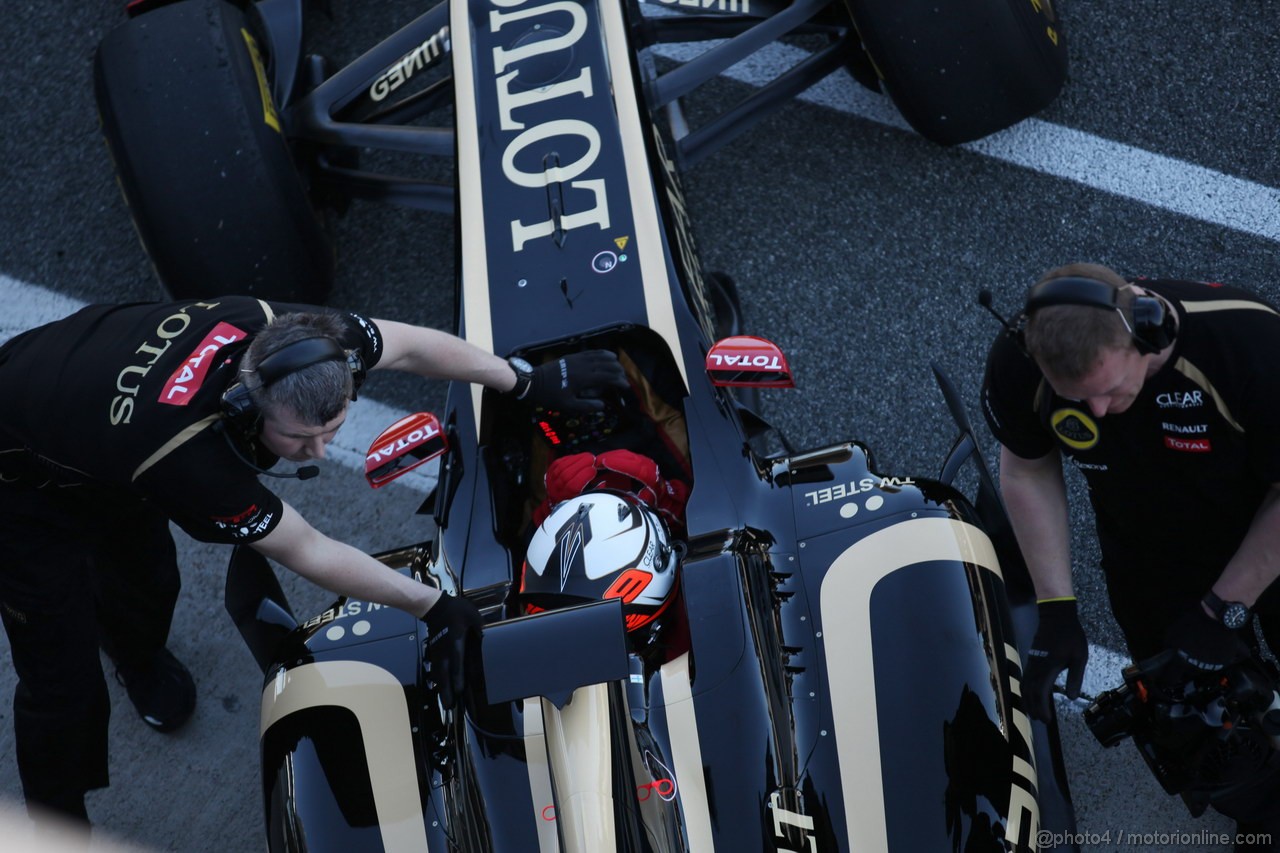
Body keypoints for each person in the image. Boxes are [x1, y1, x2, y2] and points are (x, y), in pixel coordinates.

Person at [0, 294, 627, 829]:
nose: (320, 453)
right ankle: (55, 818)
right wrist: (432, 605)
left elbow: (407, 346)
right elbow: (306, 548)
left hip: (98, 433)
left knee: (147, 580)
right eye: (299, 440)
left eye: (329, 429)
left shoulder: (291, 332)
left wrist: (519, 380)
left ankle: (137, 657)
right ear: (244, 408)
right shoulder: (186, 456)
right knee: (61, 684)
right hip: (21, 481)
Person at [981, 262, 1280, 838]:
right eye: (1079, 399)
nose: (1097, 413)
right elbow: (1027, 465)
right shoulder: (1021, 361)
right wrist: (1056, 607)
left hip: (1268, 535)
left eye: (1114, 391)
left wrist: (1225, 609)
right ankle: (1266, 817)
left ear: (1149, 335)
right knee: (1193, 726)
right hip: (1153, 561)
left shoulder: (1254, 346)